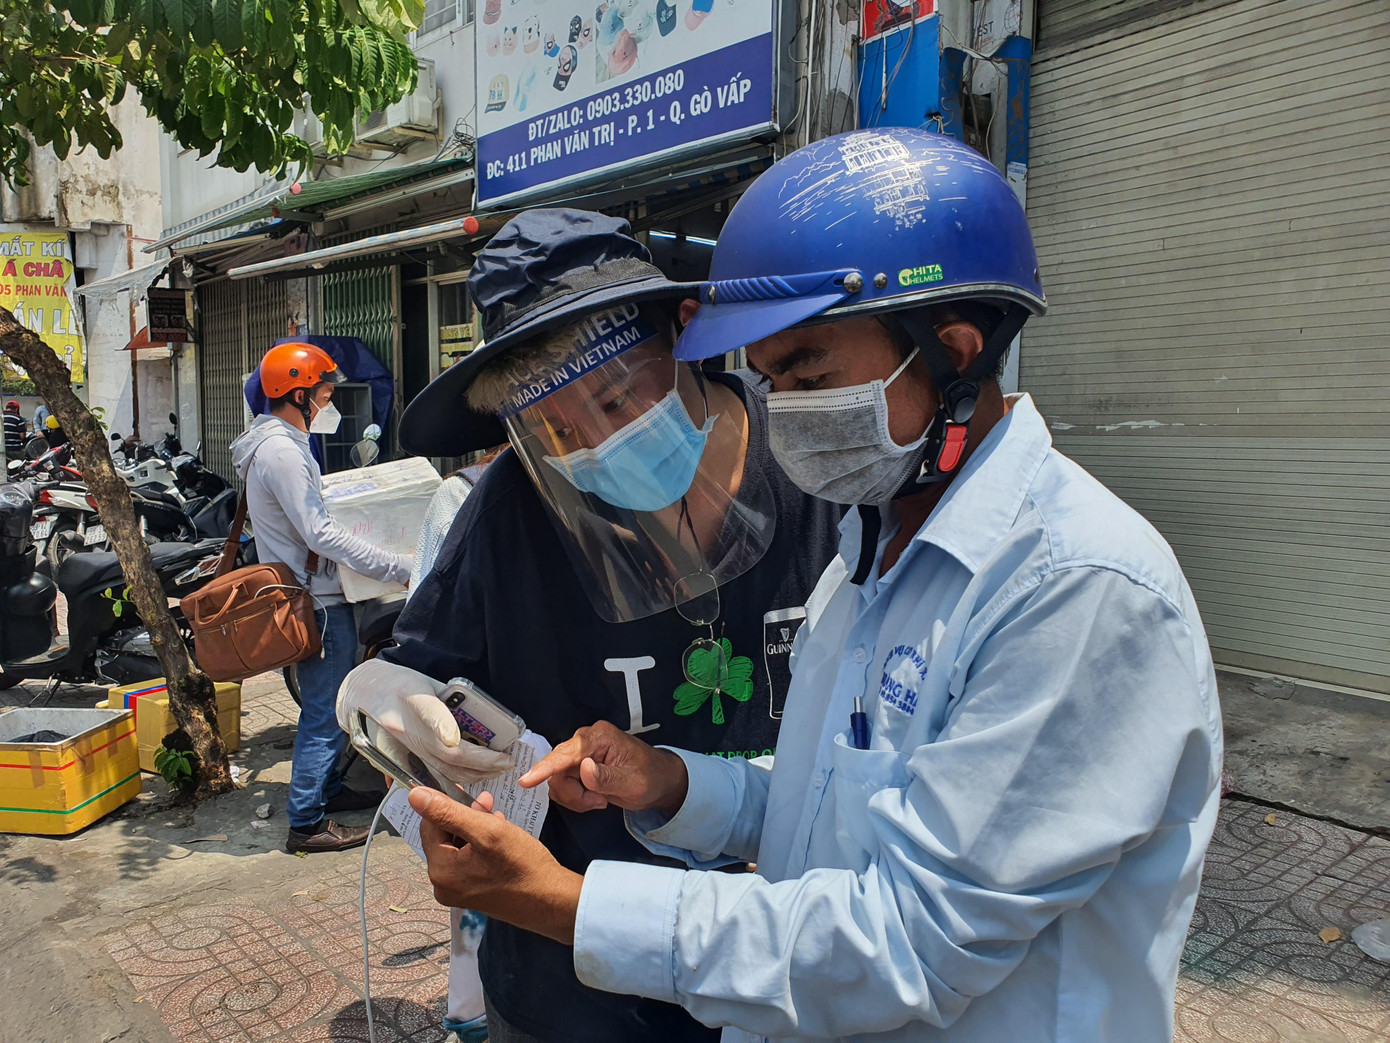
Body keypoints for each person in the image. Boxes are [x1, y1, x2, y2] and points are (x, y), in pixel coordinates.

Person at [403, 129, 1225, 1042]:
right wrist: (671, 781)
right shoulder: (871, 554)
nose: (782, 412)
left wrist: (563, 900)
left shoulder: (1074, 591)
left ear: (951, 350)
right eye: (764, 376)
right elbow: (820, 810)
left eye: (806, 373)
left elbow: (906, 944)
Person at [336, 209, 841, 1043]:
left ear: (684, 332)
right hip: (575, 993)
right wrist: (388, 696)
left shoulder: (815, 457)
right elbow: (417, 671)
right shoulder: (510, 512)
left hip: (794, 968)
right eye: (556, 431)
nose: (599, 443)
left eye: (617, 398)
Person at [228, 341, 413, 854]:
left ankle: (327, 790)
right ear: (298, 393)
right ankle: (306, 823)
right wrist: (397, 566)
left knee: (331, 707)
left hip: (319, 592)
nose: (330, 402)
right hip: (318, 601)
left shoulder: (277, 444)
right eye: (326, 392)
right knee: (322, 713)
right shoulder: (283, 452)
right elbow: (319, 534)